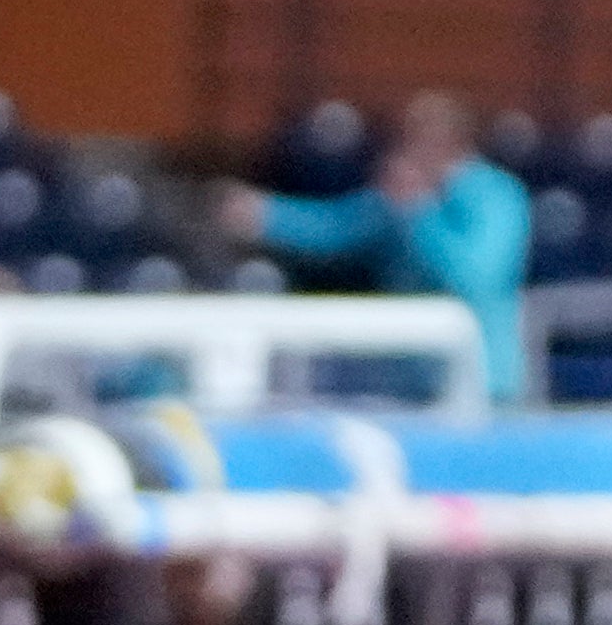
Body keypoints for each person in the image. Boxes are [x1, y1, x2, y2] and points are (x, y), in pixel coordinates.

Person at [215, 90, 532, 401]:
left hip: (484, 382)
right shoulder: (400, 195)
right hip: (409, 382)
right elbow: (339, 227)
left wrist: (420, 212)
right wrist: (266, 215)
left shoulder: (496, 196)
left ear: (451, 142)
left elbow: (475, 278)